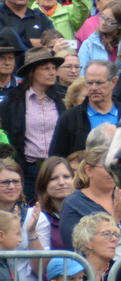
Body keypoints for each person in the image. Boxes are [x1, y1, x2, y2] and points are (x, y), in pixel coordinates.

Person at [1, 46, 66, 198]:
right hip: (28, 170)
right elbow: (8, 136)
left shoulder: (62, 98)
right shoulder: (13, 101)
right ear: (32, 72)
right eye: (45, 68)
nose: (52, 72)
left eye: (53, 68)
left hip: (57, 169)